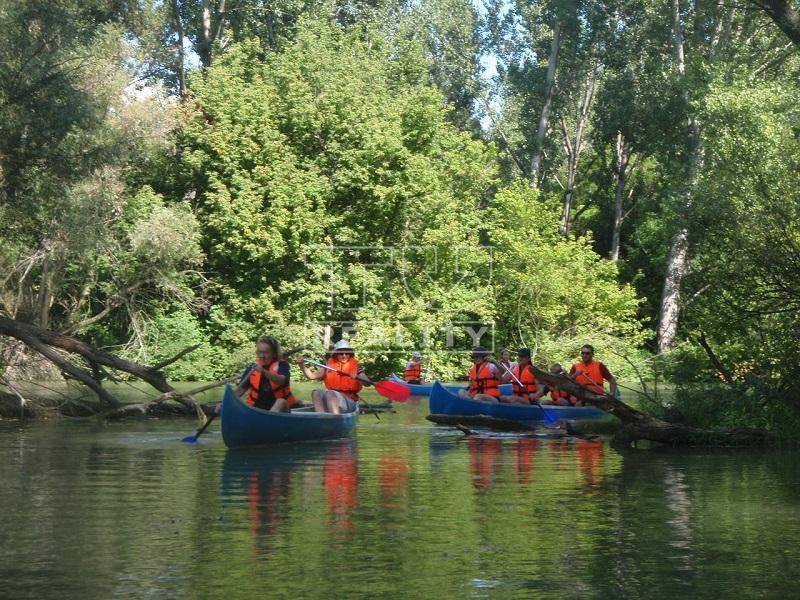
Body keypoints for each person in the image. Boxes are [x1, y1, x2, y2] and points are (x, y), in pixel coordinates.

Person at [298, 339, 372, 414]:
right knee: (316, 392)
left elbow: (367, 383)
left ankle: (335, 418)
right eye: (341, 353)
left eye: (347, 353)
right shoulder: (328, 366)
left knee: (331, 394)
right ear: (336, 354)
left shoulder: (356, 366)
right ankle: (321, 416)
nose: (344, 355)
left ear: (350, 354)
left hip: (349, 400)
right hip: (331, 397)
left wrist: (358, 378)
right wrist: (301, 365)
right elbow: (311, 376)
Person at [233, 335, 296, 413]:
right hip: (257, 409)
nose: (261, 356)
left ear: (274, 353)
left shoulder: (282, 365)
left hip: (281, 410)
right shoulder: (252, 368)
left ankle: (268, 422)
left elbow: (281, 380)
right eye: (259, 352)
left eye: (265, 352)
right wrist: (224, 403)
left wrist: (263, 371)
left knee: (281, 401)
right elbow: (240, 391)